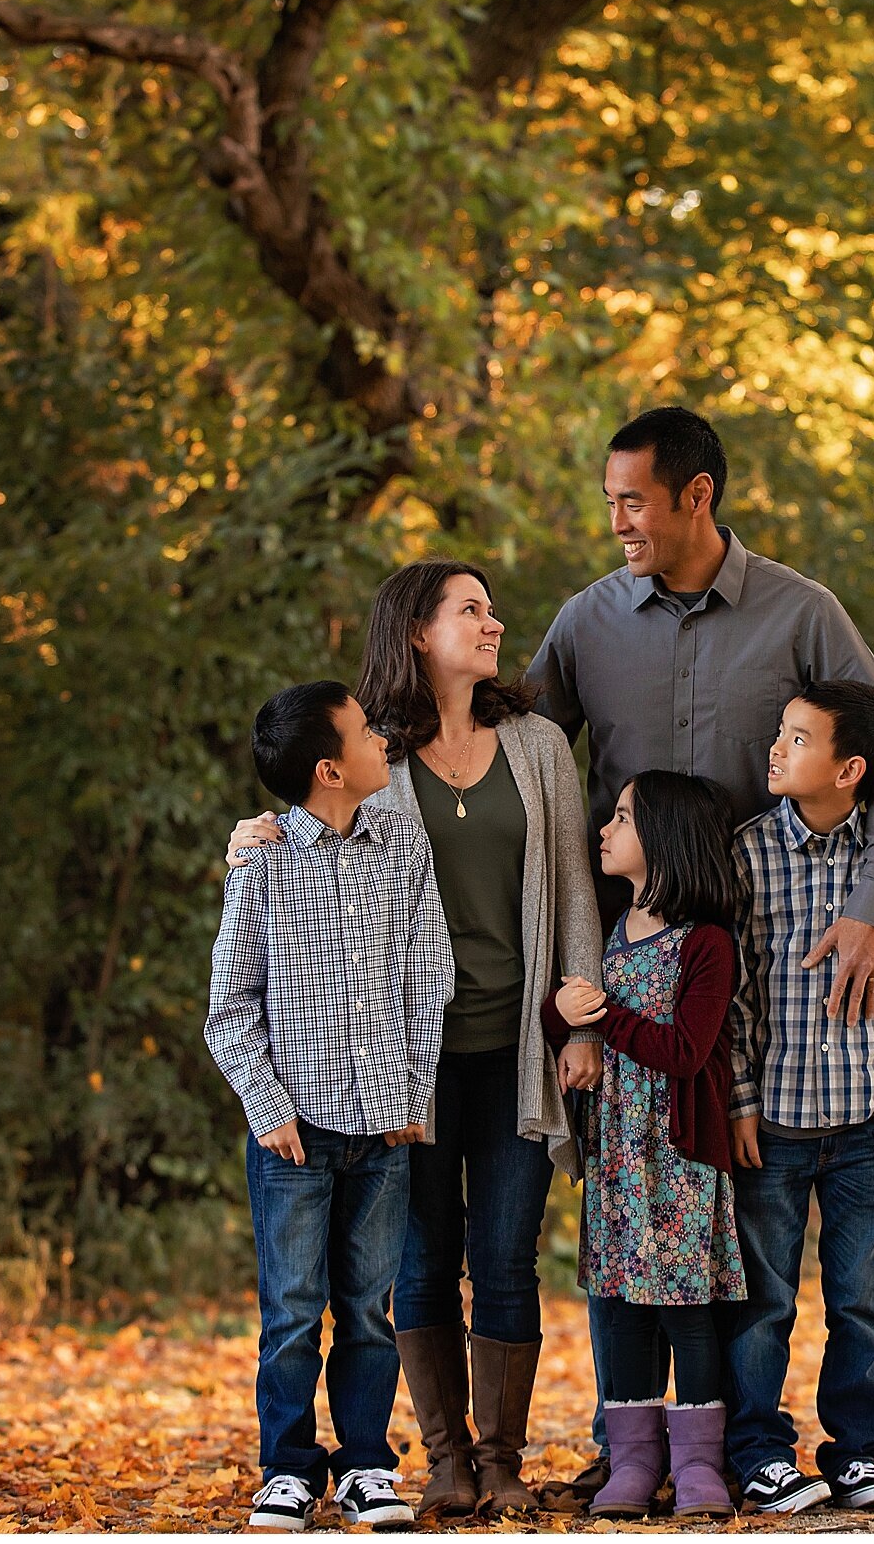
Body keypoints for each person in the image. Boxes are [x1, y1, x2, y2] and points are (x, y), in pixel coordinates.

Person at [520, 404, 874, 1510]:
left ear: (694, 495)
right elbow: (504, 749)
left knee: (733, 1236)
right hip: (628, 974)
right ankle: (637, 1446)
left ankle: (740, 1445)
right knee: (625, 1211)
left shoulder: (805, 615)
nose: (616, 518)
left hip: (757, 981)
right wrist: (324, 807)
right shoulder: (584, 622)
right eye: (608, 496)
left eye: (633, 498)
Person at [221, 562, 603, 1519]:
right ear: (417, 632)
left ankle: (503, 1456)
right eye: (468, 608)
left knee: (508, 1255)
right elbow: (321, 831)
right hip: (405, 1065)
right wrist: (255, 830)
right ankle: (441, 1455)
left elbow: (573, 890)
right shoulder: (373, 757)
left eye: (489, 607)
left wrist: (579, 1017)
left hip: (517, 1041)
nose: (492, 620)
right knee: (421, 1262)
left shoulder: (540, 745)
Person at [203, 681, 452, 1533]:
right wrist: (266, 1105)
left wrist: (413, 1089)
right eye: (363, 731)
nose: (381, 737)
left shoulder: (402, 848)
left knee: (366, 1310)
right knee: (292, 1311)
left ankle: (367, 1466)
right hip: (294, 1136)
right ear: (328, 769)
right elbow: (229, 1005)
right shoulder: (263, 863)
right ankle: (287, 1466)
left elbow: (429, 976)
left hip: (384, 1125)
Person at [721, 681, 874, 1515]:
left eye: (798, 738)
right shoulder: (746, 856)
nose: (776, 749)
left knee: (858, 1299)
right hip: (773, 1129)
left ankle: (855, 1452)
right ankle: (758, 1449)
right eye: (780, 732)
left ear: (850, 769)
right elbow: (735, 998)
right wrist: (741, 1100)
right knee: (764, 1299)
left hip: (864, 1128)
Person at [541, 771, 746, 1519]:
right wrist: (567, 1019)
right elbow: (568, 1017)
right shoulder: (603, 928)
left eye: (622, 817)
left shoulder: (707, 944)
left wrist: (602, 1016)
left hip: (680, 1160)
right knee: (624, 1307)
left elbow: (689, 1050)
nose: (605, 828)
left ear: (663, 838)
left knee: (687, 1310)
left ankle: (698, 1466)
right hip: (618, 1156)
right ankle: (631, 1463)